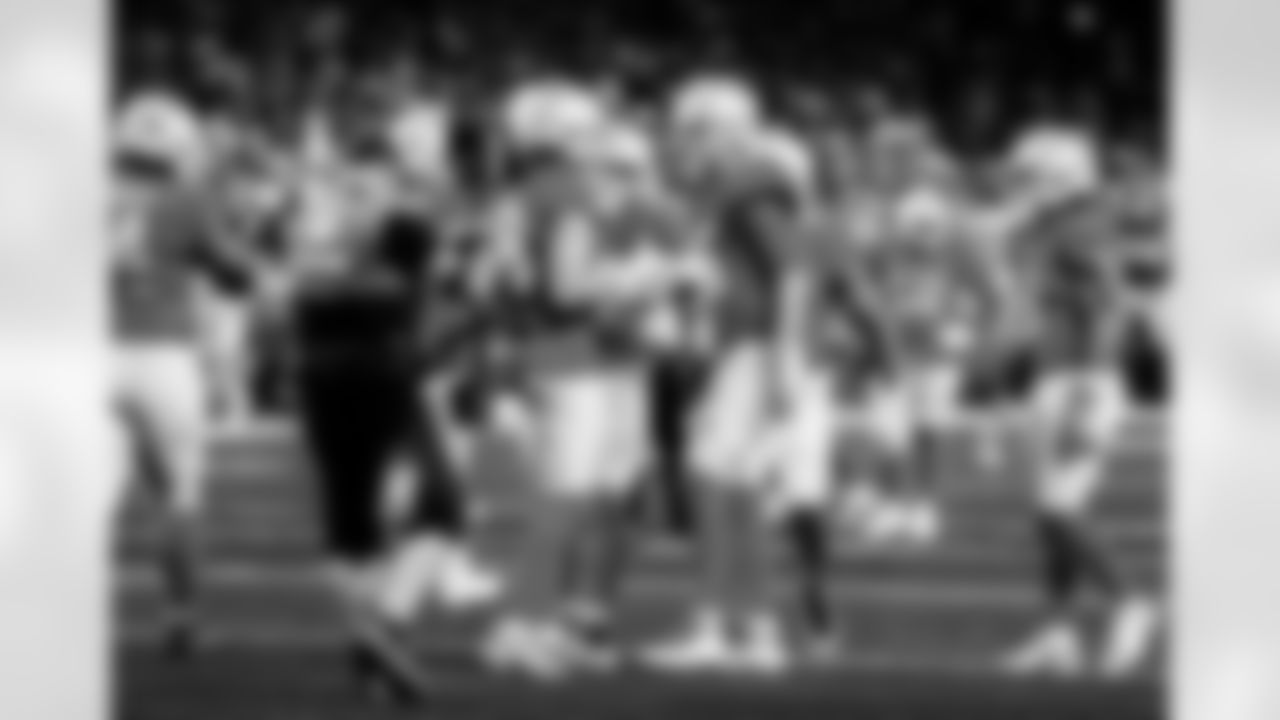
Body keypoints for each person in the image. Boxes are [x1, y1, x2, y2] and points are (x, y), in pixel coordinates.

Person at [643, 76, 816, 675]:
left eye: (694, 129)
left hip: (756, 348)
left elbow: (793, 272)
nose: (685, 141)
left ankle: (715, 626)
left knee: (712, 479)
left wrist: (785, 357)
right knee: (736, 488)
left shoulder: (749, 182)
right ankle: (757, 631)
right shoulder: (732, 184)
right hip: (745, 348)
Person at [998, 126, 1162, 679]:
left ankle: (1128, 600)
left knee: (1058, 509)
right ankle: (1058, 633)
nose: (1020, 184)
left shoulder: (1077, 226)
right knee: (1046, 515)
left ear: (1059, 177)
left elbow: (1109, 308)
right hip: (1058, 376)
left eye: (1029, 175)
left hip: (1081, 381)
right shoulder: (1056, 225)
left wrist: (1087, 396)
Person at [112, 92, 257, 658]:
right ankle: (181, 615)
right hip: (160, 357)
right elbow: (234, 273)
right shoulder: (186, 199)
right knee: (179, 494)